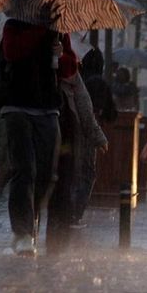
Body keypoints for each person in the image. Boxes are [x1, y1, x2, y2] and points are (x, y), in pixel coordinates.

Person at [0, 18, 76, 256]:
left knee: (47, 173)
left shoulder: (60, 30)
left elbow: (70, 69)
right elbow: (12, 52)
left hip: (48, 108)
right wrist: (40, 29)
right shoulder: (14, 25)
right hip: (17, 107)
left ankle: (30, 219)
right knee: (25, 169)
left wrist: (60, 54)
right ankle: (22, 232)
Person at [46, 66, 109, 252]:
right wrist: (98, 137)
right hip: (65, 137)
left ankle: (36, 231)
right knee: (64, 181)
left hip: (50, 135)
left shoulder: (42, 67)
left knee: (50, 181)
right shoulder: (70, 72)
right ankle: (59, 231)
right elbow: (84, 108)